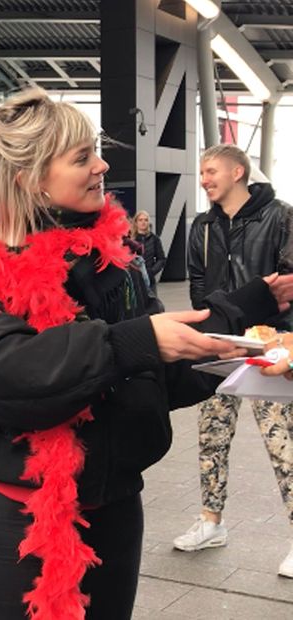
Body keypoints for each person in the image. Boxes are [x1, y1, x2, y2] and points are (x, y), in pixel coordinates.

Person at [0, 88, 293, 620]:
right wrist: (139, 340)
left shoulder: (117, 259)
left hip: (114, 505)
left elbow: (156, 364)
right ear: (28, 178)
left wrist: (250, 336)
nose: (103, 165)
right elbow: (15, 375)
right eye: (82, 157)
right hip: (18, 519)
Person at [178, 144, 293, 577]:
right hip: (217, 345)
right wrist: (209, 325)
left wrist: (283, 340)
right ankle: (211, 523)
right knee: (211, 438)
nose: (204, 179)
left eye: (211, 171)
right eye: (202, 172)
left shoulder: (281, 216)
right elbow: (196, 279)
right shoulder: (202, 225)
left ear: (237, 172)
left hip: (267, 345)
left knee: (284, 444)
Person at [130, 210, 165, 293]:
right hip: (134, 278)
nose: (143, 222)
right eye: (140, 220)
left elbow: (161, 259)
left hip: (150, 278)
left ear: (149, 222)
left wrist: (151, 271)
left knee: (152, 303)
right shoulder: (130, 240)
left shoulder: (155, 239)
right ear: (136, 222)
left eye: (146, 220)